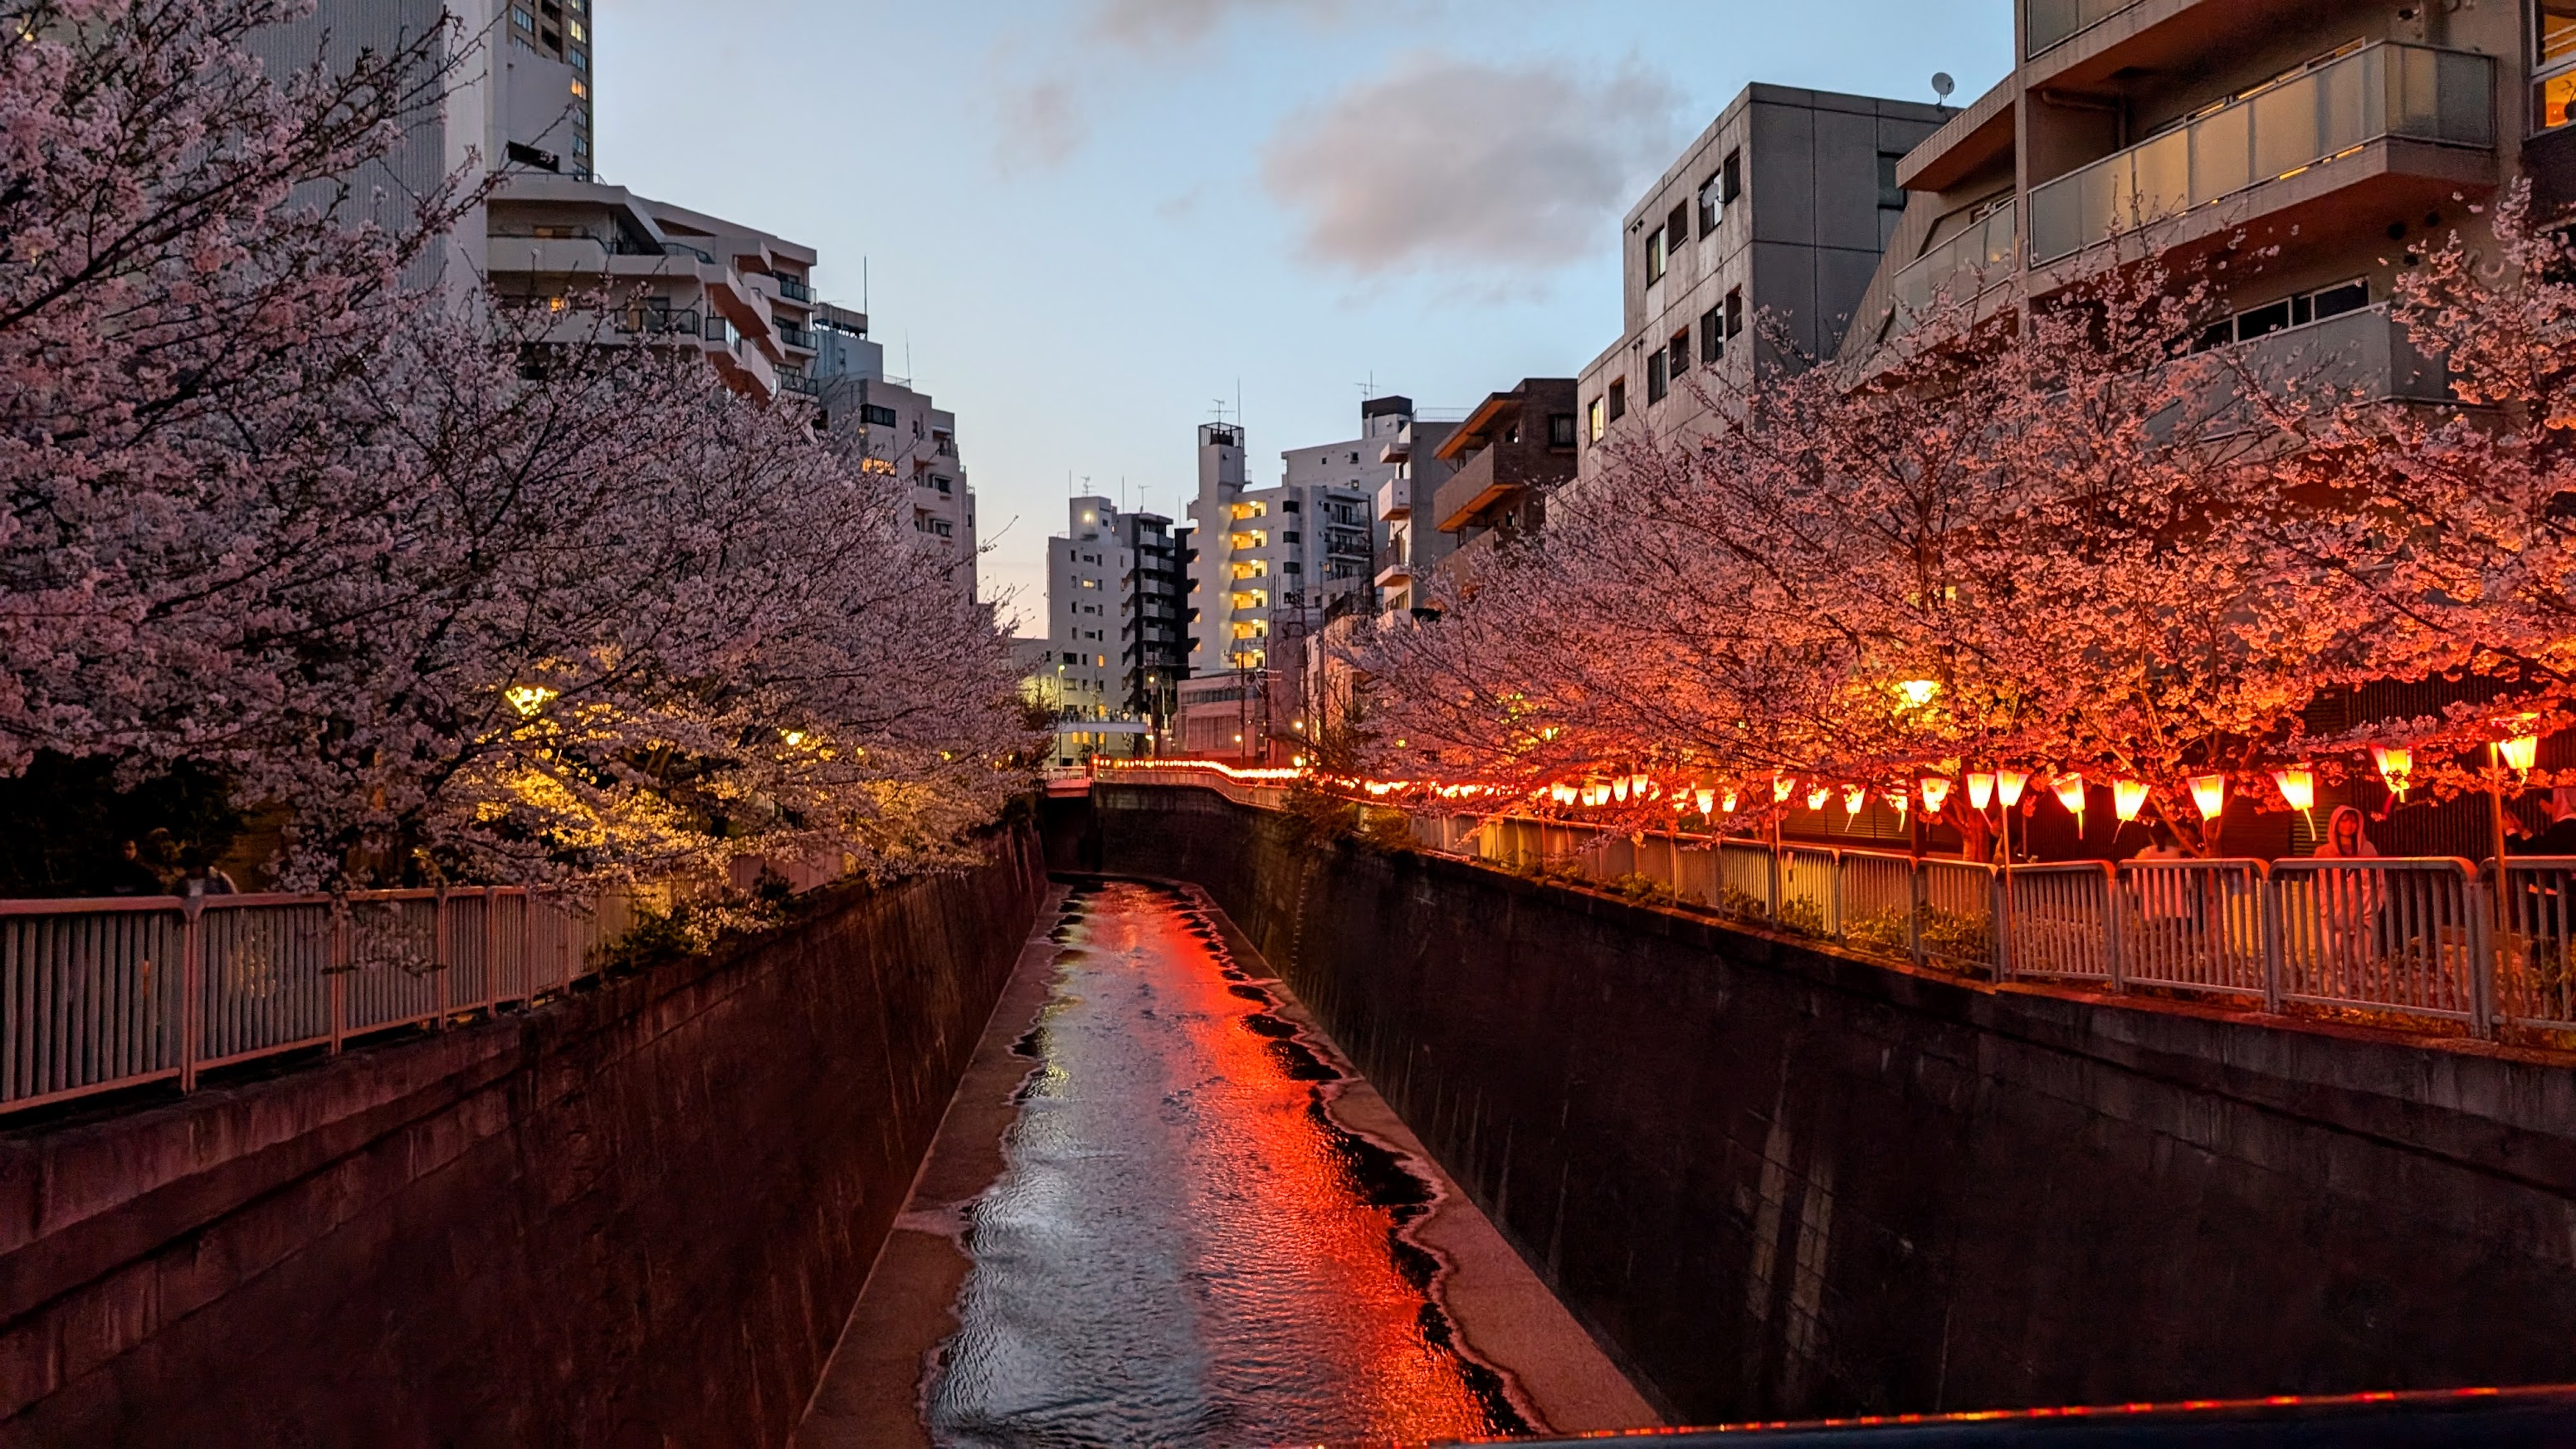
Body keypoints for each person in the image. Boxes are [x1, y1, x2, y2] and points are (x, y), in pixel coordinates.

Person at [104, 839, 168, 896]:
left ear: (136, 850)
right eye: (122, 849)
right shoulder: (112, 868)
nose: (125, 852)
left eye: (129, 848)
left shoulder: (146, 870)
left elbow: (154, 890)